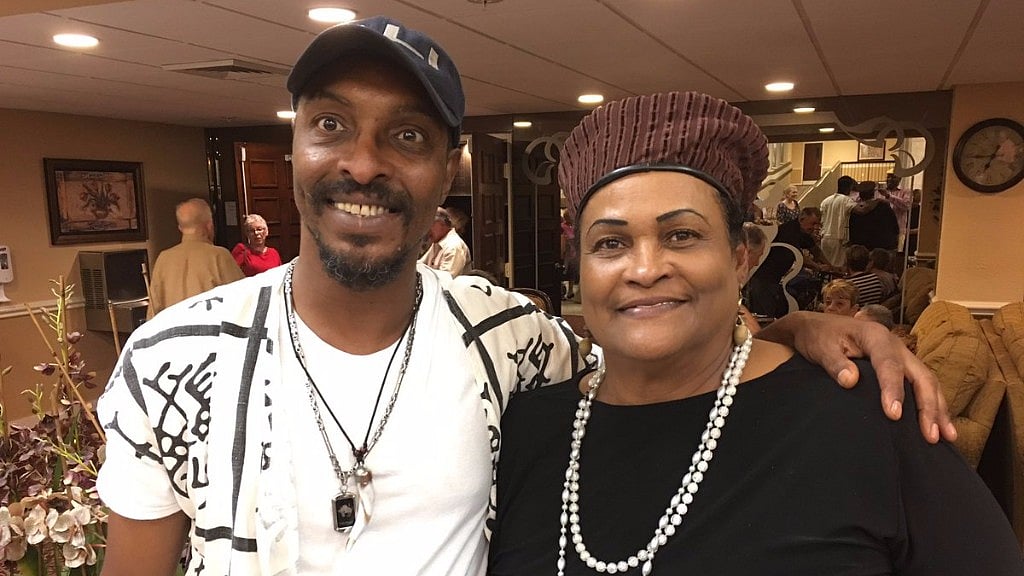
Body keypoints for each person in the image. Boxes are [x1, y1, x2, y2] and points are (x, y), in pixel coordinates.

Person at [96, 18, 955, 576]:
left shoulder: (513, 342)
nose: (362, 162)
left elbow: (664, 352)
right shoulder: (173, 359)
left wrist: (795, 329)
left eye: (406, 136)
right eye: (330, 125)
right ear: (294, 149)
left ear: (445, 173)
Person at [489, 91, 1020, 576]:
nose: (645, 269)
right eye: (610, 243)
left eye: (682, 235)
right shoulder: (527, 429)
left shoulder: (865, 415)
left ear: (742, 259)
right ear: (580, 268)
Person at [147, 197, 244, 317]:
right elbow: (243, 300)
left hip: (173, 328)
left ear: (180, 228)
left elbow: (153, 311)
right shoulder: (219, 256)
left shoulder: (163, 259)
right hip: (210, 327)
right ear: (210, 226)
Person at [419, 206, 471, 276]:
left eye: (430, 225)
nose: (427, 230)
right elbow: (420, 265)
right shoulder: (437, 242)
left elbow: (445, 279)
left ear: (442, 224)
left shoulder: (453, 246)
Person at [849, 180, 899, 251]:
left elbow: (852, 230)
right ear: (873, 193)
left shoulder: (855, 209)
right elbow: (894, 227)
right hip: (882, 247)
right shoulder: (884, 206)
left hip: (861, 248)